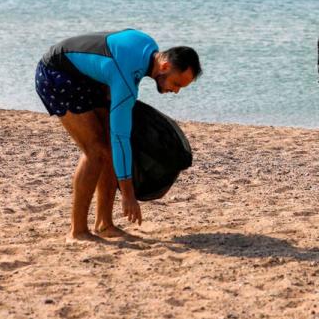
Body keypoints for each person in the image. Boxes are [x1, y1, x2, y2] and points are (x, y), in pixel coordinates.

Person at [35, 29, 201, 241]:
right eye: (176, 84)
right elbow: (120, 137)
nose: (176, 91)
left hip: (90, 78)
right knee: (96, 152)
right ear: (165, 66)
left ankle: (104, 224)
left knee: (110, 150)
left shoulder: (148, 45)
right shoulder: (126, 80)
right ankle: (77, 231)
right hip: (57, 74)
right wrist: (128, 195)